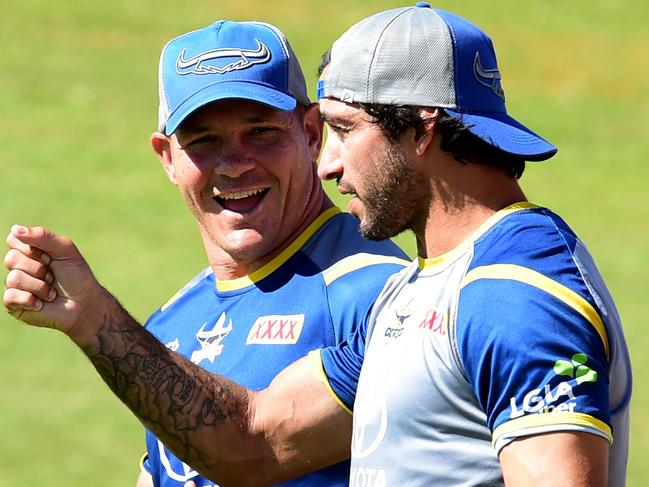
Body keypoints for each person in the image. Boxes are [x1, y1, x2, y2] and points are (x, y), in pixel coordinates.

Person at [4, 4, 631, 486]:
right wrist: (91, 317)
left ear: (420, 128)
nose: (326, 162)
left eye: (341, 129)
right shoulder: (418, 295)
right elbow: (253, 442)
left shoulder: (511, 290)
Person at [7, 18, 410, 487]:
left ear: (312, 133)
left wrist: (94, 317)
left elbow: (253, 447)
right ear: (167, 158)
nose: (235, 164)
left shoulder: (380, 295)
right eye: (203, 142)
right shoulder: (168, 325)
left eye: (260, 132)